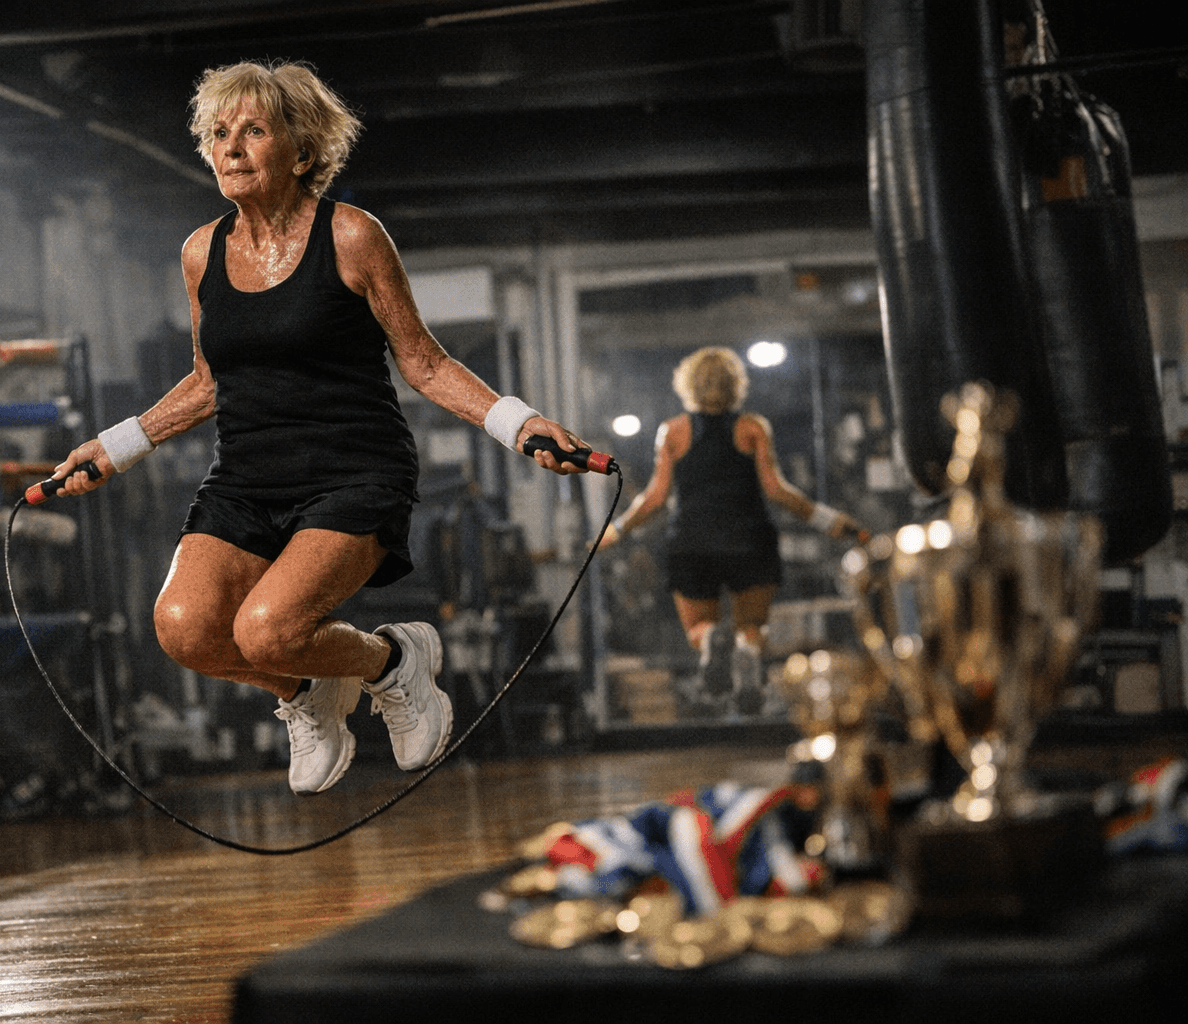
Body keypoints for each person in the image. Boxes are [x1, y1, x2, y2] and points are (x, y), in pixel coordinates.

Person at [49, 59, 588, 794]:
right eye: (218, 133)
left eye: (252, 131)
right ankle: (306, 693)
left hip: (355, 473)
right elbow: (210, 382)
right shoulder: (201, 251)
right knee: (184, 628)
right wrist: (112, 449)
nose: (229, 147)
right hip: (245, 477)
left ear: (302, 153)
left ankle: (393, 665)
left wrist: (522, 426)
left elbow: (423, 363)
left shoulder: (353, 237)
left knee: (267, 631)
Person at [593, 346, 864, 714]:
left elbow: (655, 498)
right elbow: (777, 491)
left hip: (691, 541)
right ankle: (748, 653)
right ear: (736, 384)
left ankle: (710, 643)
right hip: (749, 539)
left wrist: (617, 529)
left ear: (687, 385)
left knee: (698, 627)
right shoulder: (752, 428)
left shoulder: (672, 432)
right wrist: (832, 522)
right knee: (752, 625)